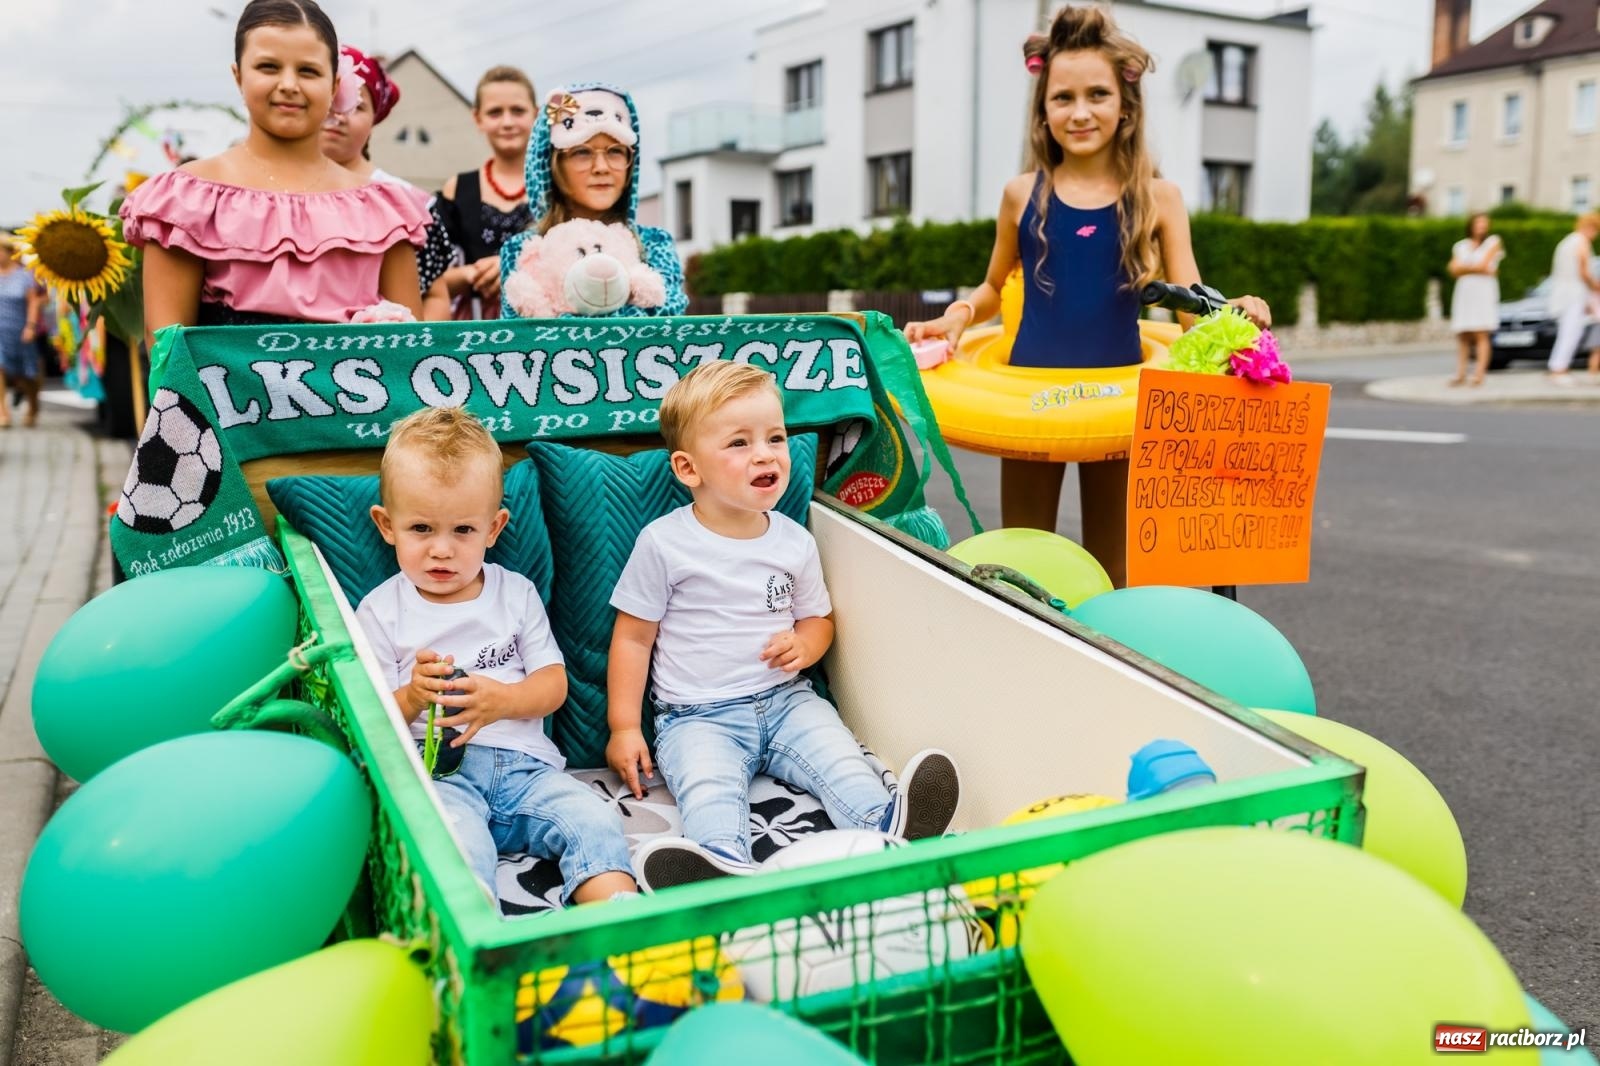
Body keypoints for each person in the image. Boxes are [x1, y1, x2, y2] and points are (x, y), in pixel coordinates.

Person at [904, 5, 1269, 587]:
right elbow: (995, 287)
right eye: (1062, 98)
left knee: (1115, 565)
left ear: (1125, 105)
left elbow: (1188, 304)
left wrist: (1235, 315)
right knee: (1022, 565)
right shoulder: (1021, 194)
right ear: (1043, 109)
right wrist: (957, 316)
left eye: (1097, 94)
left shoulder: (1160, 197)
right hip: (1027, 397)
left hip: (1117, 396)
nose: (1079, 112)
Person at [606, 361, 959, 891]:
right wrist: (624, 728)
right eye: (740, 443)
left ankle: (890, 828)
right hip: (697, 717)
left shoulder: (793, 541)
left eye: (775, 437)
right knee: (708, 789)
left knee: (841, 760)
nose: (766, 453)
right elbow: (633, 637)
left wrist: (805, 645)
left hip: (787, 701)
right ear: (688, 469)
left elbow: (818, 619)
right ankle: (720, 868)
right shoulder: (665, 543)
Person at [355, 406, 638, 905]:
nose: (442, 550)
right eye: (421, 528)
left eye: (463, 530)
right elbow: (370, 718)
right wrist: (414, 696)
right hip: (440, 774)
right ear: (386, 525)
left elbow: (553, 686)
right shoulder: (381, 611)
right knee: (454, 846)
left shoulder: (515, 593)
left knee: (594, 820)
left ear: (493, 528)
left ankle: (619, 917)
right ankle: (476, 930)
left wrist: (503, 701)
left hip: (527, 771)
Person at [120, 0, 429, 346]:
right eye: (268, 67)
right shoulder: (187, 201)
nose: (288, 84)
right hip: (218, 401)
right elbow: (168, 352)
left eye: (308, 71)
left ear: (334, 85)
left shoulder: (383, 211)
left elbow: (410, 358)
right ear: (238, 76)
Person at [498, 82, 687, 317]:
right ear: (552, 165)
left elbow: (664, 320)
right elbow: (520, 337)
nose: (601, 167)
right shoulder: (523, 251)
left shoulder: (655, 245)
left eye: (616, 151)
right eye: (582, 152)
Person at [320, 44, 453, 311]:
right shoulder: (271, 195)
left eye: (356, 106)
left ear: (375, 118)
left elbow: (435, 295)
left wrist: (416, 347)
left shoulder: (408, 203)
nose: (339, 115)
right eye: (330, 100)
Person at [430, 66, 536, 320]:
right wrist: (470, 274)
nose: (507, 122)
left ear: (537, 114)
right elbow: (428, 276)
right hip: (474, 334)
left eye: (518, 111)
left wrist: (510, 266)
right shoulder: (458, 189)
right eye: (495, 112)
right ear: (478, 119)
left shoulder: (558, 186)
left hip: (547, 330)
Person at [1544, 212, 1600, 385]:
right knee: (1571, 332)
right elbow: (1584, 271)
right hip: (1573, 293)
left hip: (1564, 292)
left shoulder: (1568, 241)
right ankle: (1559, 369)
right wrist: (1596, 287)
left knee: (1567, 331)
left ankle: (1560, 367)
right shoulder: (1581, 241)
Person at [1447, 213, 1502, 387]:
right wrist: (1475, 269)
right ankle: (1460, 373)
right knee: (1463, 333)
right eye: (1478, 223)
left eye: (1484, 223)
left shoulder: (1493, 242)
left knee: (1481, 332)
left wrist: (1466, 268)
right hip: (1465, 293)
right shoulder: (1460, 246)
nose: (1482, 226)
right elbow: (1453, 270)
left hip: (1483, 293)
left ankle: (1479, 373)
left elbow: (1484, 265)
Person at [0, 233, 46, 428]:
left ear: (10, 253)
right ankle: (3, 413)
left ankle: (33, 405)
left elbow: (33, 302)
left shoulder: (24, 275)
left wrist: (30, 326)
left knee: (26, 376)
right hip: (0, 331)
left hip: (20, 331)